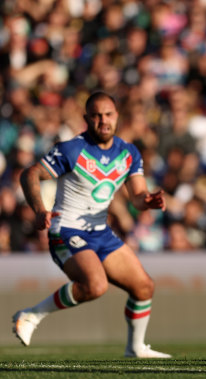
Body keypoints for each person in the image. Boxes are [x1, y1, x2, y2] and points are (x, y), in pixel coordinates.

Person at [12, 91, 171, 359]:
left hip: (100, 232)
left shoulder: (129, 153)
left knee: (144, 287)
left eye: (108, 114)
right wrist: (40, 209)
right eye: (96, 115)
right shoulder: (71, 149)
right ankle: (30, 315)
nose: (103, 120)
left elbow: (137, 196)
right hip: (67, 230)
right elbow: (31, 174)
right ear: (86, 119)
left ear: (117, 116)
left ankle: (134, 348)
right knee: (95, 286)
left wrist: (149, 200)